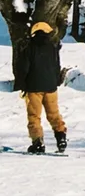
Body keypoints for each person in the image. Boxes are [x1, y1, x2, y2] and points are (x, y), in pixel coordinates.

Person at [18, 21, 67, 155]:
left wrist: (22, 84)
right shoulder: (53, 47)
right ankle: (61, 137)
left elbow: (24, 68)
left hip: (34, 87)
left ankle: (38, 143)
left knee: (34, 116)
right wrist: (56, 81)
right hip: (51, 87)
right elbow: (57, 66)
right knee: (54, 114)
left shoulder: (29, 47)